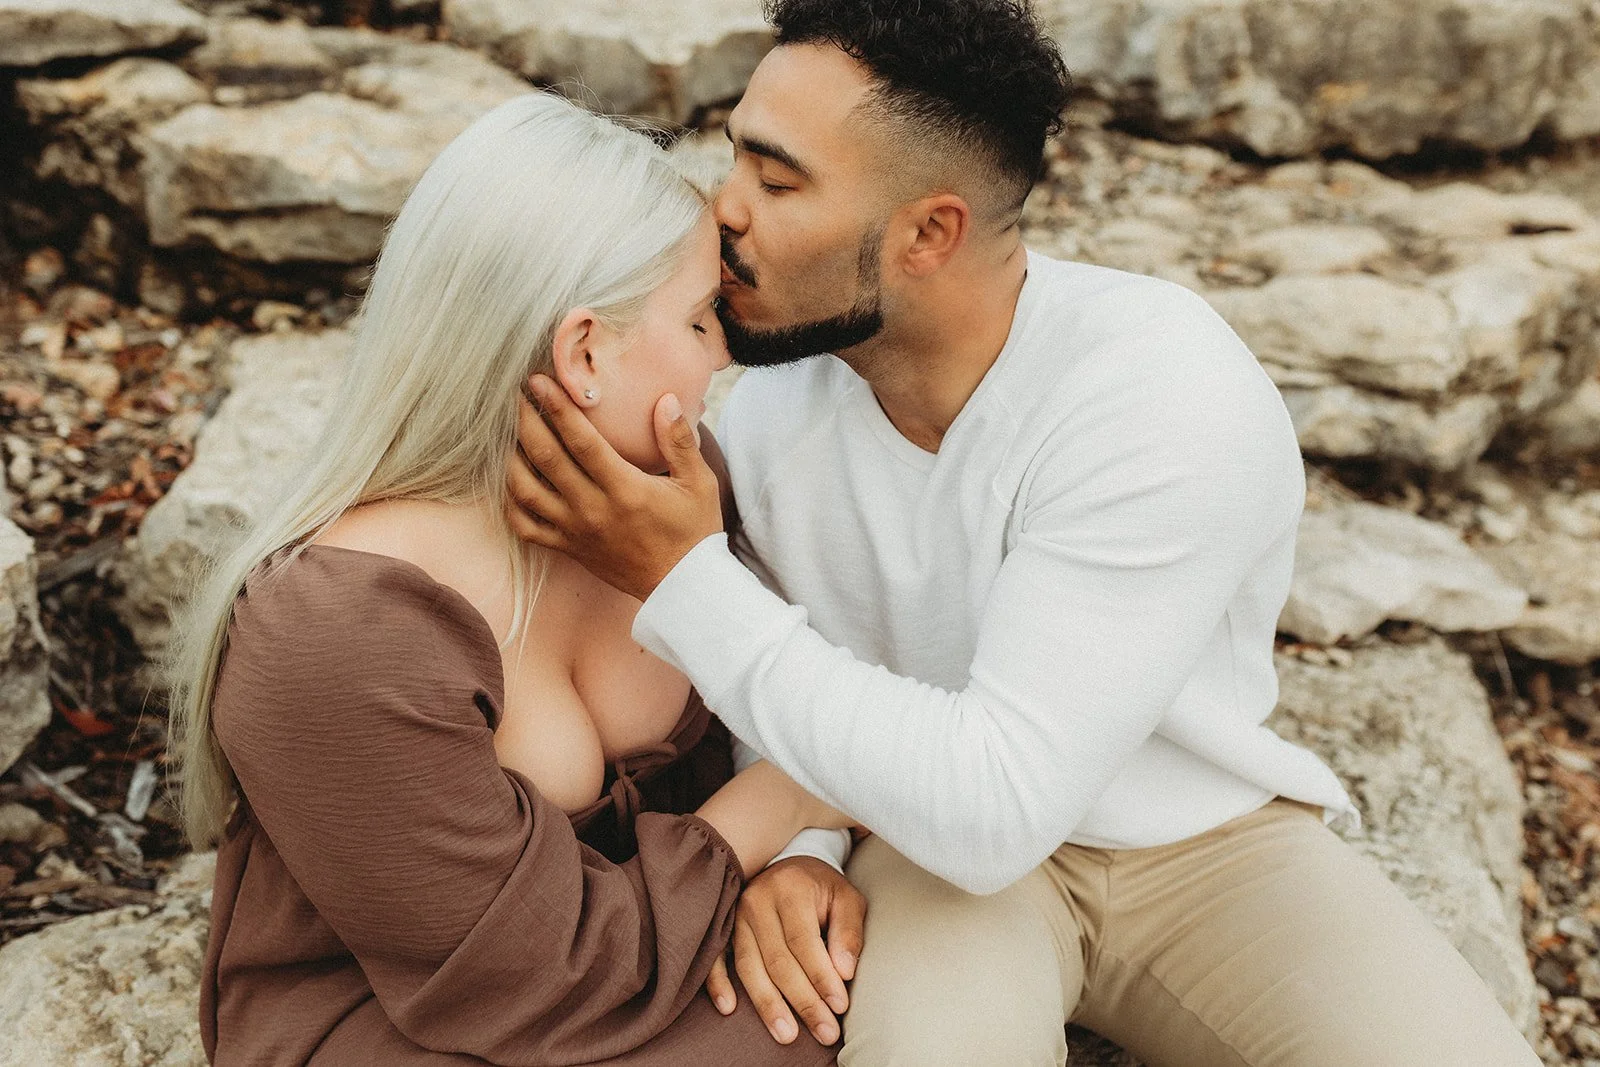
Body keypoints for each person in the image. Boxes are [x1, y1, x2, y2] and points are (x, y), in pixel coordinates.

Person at [502, 2, 1545, 1065]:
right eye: (735, 159)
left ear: (926, 233)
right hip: (916, 852)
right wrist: (805, 845)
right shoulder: (766, 408)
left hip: (1198, 846)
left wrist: (681, 574)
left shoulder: (1160, 391)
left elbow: (996, 800)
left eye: (776, 181)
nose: (719, 209)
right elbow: (797, 670)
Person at [167, 91, 849, 1065]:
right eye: (702, 319)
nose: (723, 354)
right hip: (419, 1029)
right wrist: (778, 804)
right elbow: (531, 974)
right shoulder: (334, 632)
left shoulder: (679, 491)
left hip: (662, 973)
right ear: (583, 353)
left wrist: (796, 863)